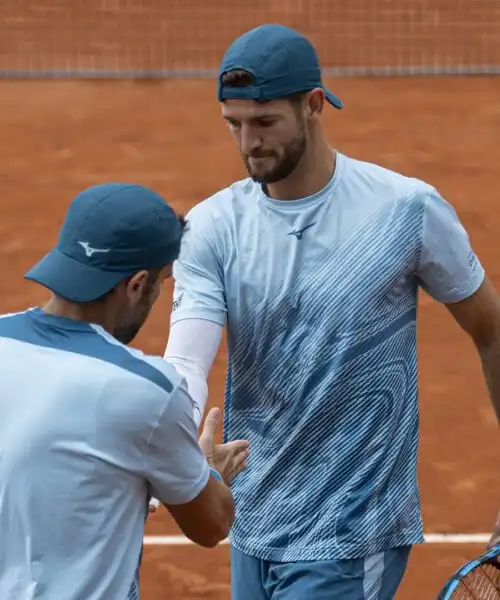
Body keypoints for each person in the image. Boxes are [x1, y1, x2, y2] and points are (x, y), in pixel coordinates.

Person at [163, 24, 500, 600]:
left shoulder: (405, 211)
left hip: (352, 527)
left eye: (265, 123)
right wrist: (171, 445)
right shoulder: (213, 227)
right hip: (254, 517)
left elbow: (492, 330)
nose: (248, 144)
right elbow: (187, 361)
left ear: (314, 105)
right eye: (234, 125)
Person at [0, 183, 248, 600]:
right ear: (136, 285)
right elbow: (212, 524)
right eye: (161, 283)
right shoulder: (145, 389)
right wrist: (205, 471)